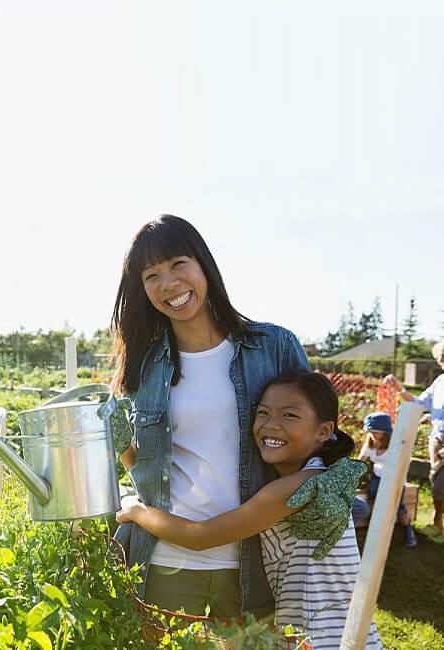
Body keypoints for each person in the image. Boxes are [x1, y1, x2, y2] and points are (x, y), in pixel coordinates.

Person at [109, 215, 361, 619]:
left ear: (203, 265)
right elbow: (145, 465)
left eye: (178, 265)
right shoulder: (144, 364)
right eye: (151, 275)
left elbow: (312, 431)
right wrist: (126, 453)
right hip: (166, 561)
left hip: (255, 564)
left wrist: (331, 479)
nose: (168, 284)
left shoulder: (273, 346)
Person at [117, 370, 381, 649]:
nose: (271, 425)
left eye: (289, 415)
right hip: (322, 633)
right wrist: (127, 450)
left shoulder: (296, 490)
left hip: (329, 639)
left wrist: (137, 511)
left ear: (324, 431)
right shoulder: (315, 479)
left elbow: (200, 536)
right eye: (263, 413)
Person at [384, 339, 444, 533]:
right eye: (441, 358)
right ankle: (438, 520)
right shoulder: (440, 382)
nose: (443, 361)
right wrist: (399, 388)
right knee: (437, 481)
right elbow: (418, 403)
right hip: (438, 438)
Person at [354, 412, 417, 547]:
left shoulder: (395, 445)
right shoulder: (370, 443)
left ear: (385, 432)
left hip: (394, 479)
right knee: (374, 497)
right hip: (378, 477)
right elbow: (360, 461)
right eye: (370, 431)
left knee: (397, 506)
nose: (372, 434)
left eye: (376, 431)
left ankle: (408, 532)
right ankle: (375, 531)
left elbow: (403, 463)